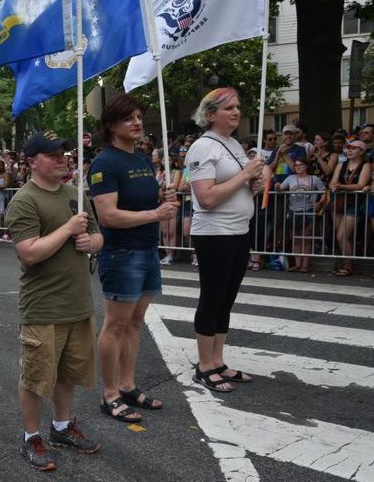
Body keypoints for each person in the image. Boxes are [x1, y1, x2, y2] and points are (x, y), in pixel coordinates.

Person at [5, 136, 104, 472]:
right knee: (36, 377)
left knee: (68, 372)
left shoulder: (76, 194)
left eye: (63, 154)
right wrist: (68, 230)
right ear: (32, 161)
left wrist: (90, 240)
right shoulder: (24, 201)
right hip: (43, 306)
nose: (62, 159)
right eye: (52, 155)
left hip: (78, 303)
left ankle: (62, 427)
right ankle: (31, 436)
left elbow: (98, 236)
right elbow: (29, 253)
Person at [89, 94, 177, 422]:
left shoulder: (141, 159)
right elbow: (108, 216)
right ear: (111, 125)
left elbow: (142, 205)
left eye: (139, 116)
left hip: (147, 249)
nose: (137, 122)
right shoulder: (105, 162)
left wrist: (161, 198)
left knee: (135, 323)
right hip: (122, 253)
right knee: (115, 324)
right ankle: (110, 393)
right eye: (129, 118)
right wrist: (156, 212)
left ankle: (127, 385)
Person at [185, 88, 265, 392]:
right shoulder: (203, 147)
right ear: (210, 114)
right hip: (214, 233)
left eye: (238, 107)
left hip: (238, 231)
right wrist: (245, 176)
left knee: (227, 299)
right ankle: (204, 365)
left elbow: (237, 186)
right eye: (228, 107)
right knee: (213, 297)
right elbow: (206, 198)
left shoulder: (232, 144)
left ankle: (218, 361)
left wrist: (253, 183)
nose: (235, 112)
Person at [330, 140, 372, 276]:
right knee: (342, 236)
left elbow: (361, 185)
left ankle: (348, 266)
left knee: (341, 235)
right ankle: (347, 262)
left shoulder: (365, 165)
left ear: (361, 151)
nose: (349, 151)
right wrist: (334, 186)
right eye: (348, 148)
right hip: (339, 202)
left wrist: (341, 187)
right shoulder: (341, 165)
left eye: (353, 149)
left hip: (355, 203)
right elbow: (333, 182)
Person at [277, 157, 325, 273]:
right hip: (293, 211)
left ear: (306, 166)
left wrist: (320, 203)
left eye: (300, 165)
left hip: (308, 211)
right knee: (296, 239)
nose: (298, 167)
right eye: (296, 165)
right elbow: (281, 188)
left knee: (306, 239)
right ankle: (298, 265)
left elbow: (324, 192)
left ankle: (305, 265)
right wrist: (277, 187)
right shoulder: (290, 178)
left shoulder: (314, 179)